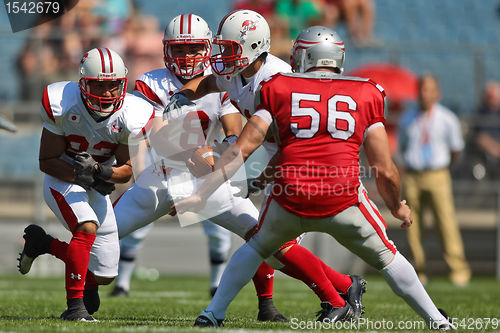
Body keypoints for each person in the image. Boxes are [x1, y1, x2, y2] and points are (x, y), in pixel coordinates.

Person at [173, 26, 456, 330]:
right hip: (343, 198)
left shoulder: (278, 87)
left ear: (303, 56)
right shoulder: (366, 91)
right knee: (388, 258)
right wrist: (397, 207)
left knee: (255, 247)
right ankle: (437, 321)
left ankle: (213, 313)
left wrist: (203, 194)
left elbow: (240, 150)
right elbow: (384, 168)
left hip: (290, 196)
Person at [166, 10, 370, 325]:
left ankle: (341, 294)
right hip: (283, 155)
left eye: (230, 48)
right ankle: (341, 290)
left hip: (307, 160)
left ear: (253, 46)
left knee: (273, 243)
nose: (222, 56)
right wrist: (183, 94)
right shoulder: (240, 69)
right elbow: (209, 82)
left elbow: (289, 142)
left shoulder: (276, 81)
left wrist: (263, 175)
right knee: (269, 242)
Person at [17, 47, 154, 321]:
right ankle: (75, 308)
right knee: (86, 227)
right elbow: (47, 160)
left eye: (113, 86)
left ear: (122, 84)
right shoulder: (62, 102)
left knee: (103, 275)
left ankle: (42, 243)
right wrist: (84, 175)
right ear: (83, 84)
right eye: (98, 86)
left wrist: (101, 172)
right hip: (62, 177)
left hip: (95, 181)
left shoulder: (133, 112)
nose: (106, 93)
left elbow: (127, 171)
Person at [399, 74, 471, 287]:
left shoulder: (447, 118)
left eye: (429, 89)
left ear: (437, 93)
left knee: (445, 222)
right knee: (411, 224)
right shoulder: (407, 118)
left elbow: (456, 149)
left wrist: (443, 167)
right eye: (422, 89)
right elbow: (402, 148)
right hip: (413, 175)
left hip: (438, 174)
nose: (424, 93)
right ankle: (418, 270)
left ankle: (458, 270)